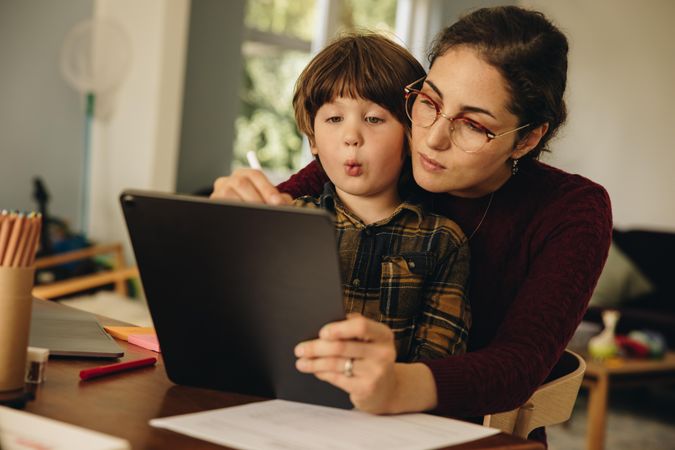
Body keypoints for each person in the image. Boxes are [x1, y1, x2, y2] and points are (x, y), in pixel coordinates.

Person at [211, 6, 612, 444]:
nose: (433, 139)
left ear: (528, 138)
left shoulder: (572, 211)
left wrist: (394, 385)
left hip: (462, 436)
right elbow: (290, 202)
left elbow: (518, 364)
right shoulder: (393, 157)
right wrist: (241, 213)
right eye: (430, 102)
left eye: (473, 125)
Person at [292, 34, 471, 362]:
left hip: (388, 405)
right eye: (334, 119)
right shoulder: (289, 222)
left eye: (373, 119)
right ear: (313, 138)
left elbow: (437, 360)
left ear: (410, 133)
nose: (351, 137)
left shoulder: (442, 241)